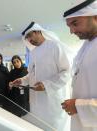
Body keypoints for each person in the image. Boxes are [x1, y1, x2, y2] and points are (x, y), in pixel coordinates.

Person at [10, 22, 70, 131]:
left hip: (52, 100)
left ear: (37, 31)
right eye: (26, 38)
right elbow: (31, 74)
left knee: (54, 127)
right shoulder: (33, 53)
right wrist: (22, 80)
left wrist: (46, 85)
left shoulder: (55, 46)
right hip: (36, 102)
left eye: (29, 36)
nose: (28, 40)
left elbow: (66, 71)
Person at [61, 0, 97, 131]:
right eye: (69, 26)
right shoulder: (86, 45)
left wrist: (79, 106)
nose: (71, 31)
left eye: (75, 23)